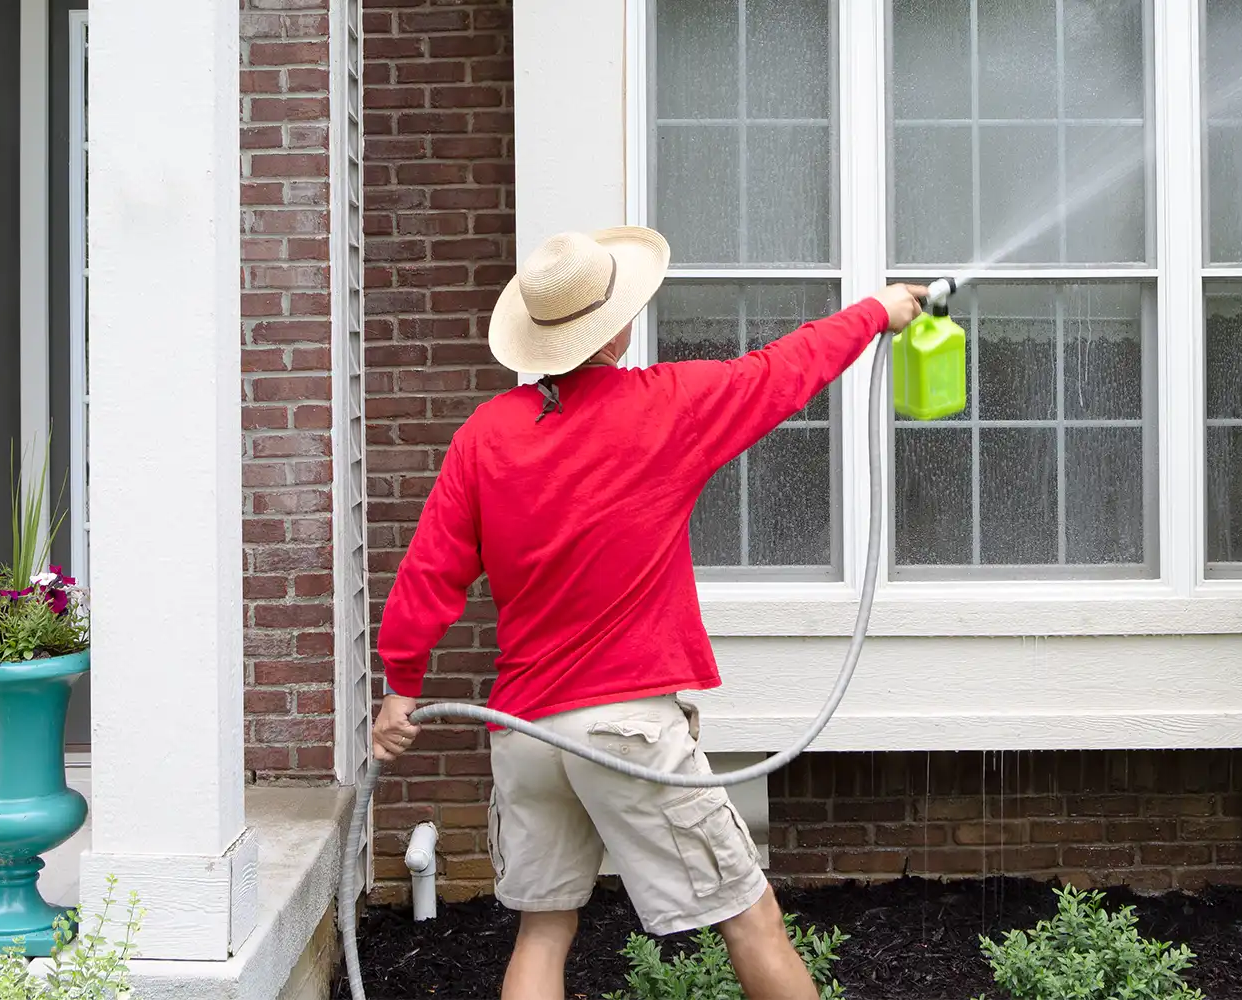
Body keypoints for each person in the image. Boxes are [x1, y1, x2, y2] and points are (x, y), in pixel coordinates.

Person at [372, 224, 926, 1000]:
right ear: (619, 324)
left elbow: (430, 572)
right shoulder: (666, 406)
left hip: (526, 736)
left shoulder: (483, 437)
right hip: (626, 728)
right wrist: (876, 312)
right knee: (750, 916)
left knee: (544, 928)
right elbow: (783, 370)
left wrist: (400, 686)